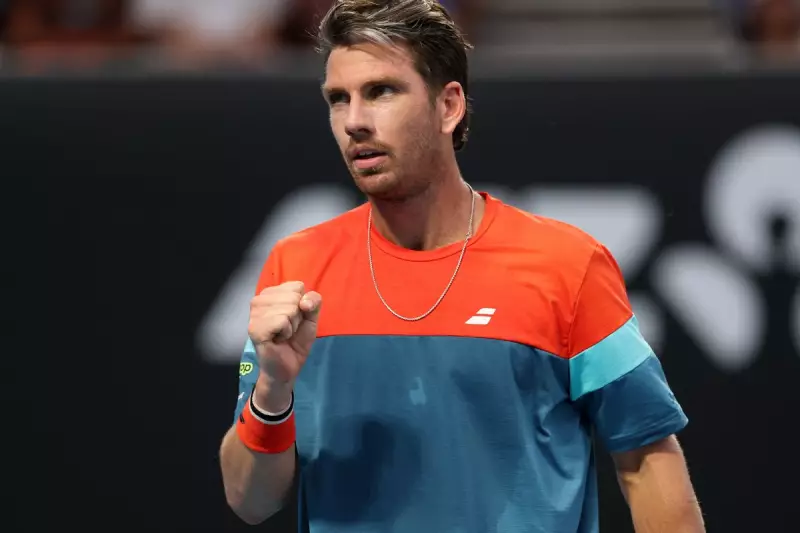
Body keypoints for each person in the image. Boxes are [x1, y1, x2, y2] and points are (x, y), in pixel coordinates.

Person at [219, 1, 706, 532]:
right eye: (339, 99)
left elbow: (647, 462)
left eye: (381, 91)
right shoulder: (296, 267)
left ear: (449, 106)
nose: (354, 121)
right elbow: (251, 501)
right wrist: (272, 390)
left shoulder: (567, 265)